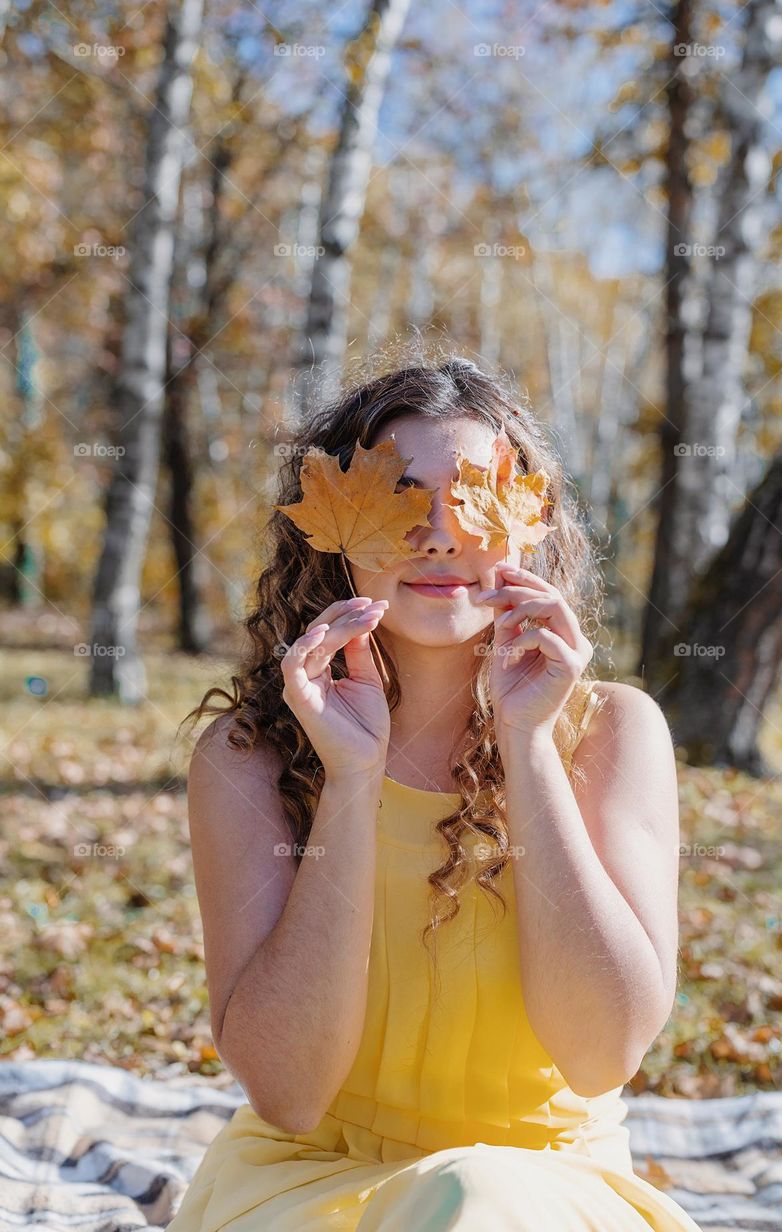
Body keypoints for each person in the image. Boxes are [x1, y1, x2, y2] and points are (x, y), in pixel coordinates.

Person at [166, 355, 703, 1230]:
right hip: (311, 1184)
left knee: (473, 1197)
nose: (440, 536)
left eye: (477, 496)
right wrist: (350, 779)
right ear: (329, 529)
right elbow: (289, 1091)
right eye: (399, 497)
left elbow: (602, 1053)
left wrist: (528, 745)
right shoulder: (249, 758)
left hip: (544, 1187)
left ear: (531, 518)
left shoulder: (613, 731)